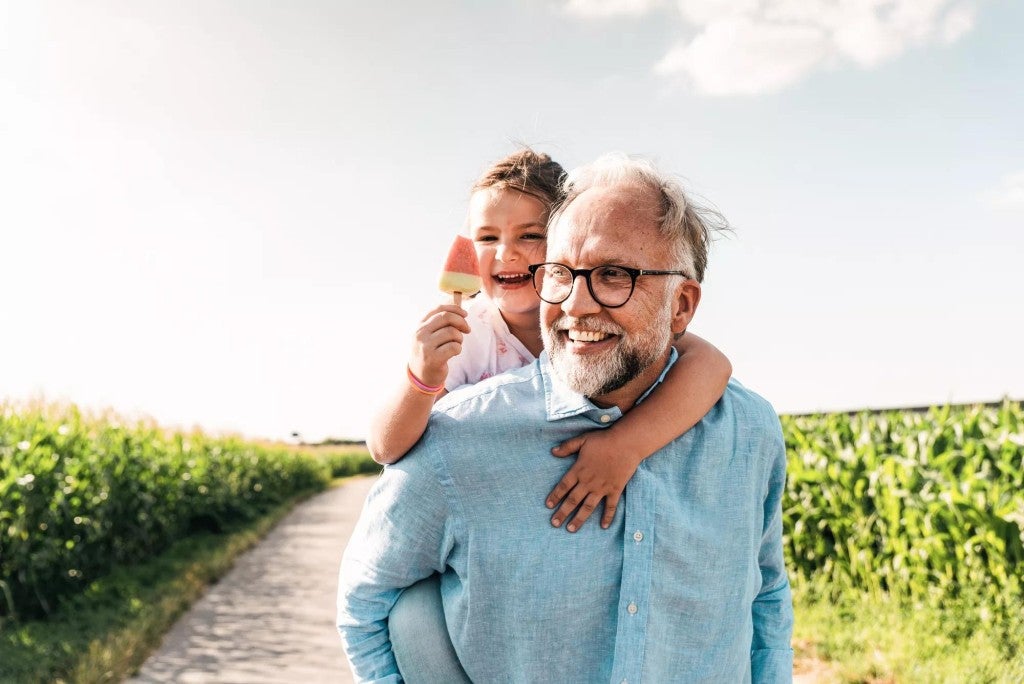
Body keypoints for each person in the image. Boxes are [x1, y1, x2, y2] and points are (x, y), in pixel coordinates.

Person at [339, 153, 794, 682]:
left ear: (682, 306)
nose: (577, 304)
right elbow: (367, 602)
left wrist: (626, 444)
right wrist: (421, 378)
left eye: (613, 275)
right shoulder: (460, 420)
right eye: (562, 273)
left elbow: (765, 597)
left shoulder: (749, 431)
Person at [368, 149, 732, 532]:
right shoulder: (466, 332)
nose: (506, 253)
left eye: (529, 235)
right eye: (487, 237)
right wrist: (421, 378)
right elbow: (385, 447)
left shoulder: (601, 320)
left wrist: (627, 445)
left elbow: (712, 365)